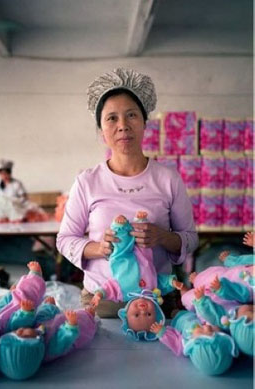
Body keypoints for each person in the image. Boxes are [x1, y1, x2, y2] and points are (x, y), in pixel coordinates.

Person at [56, 68, 199, 318]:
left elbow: (190, 238)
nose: (123, 126)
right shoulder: (87, 181)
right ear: (101, 130)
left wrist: (162, 237)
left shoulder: (168, 179)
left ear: (144, 123)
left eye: (131, 115)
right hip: (103, 300)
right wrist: (99, 248)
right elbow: (65, 239)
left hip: (156, 301)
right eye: (112, 118)